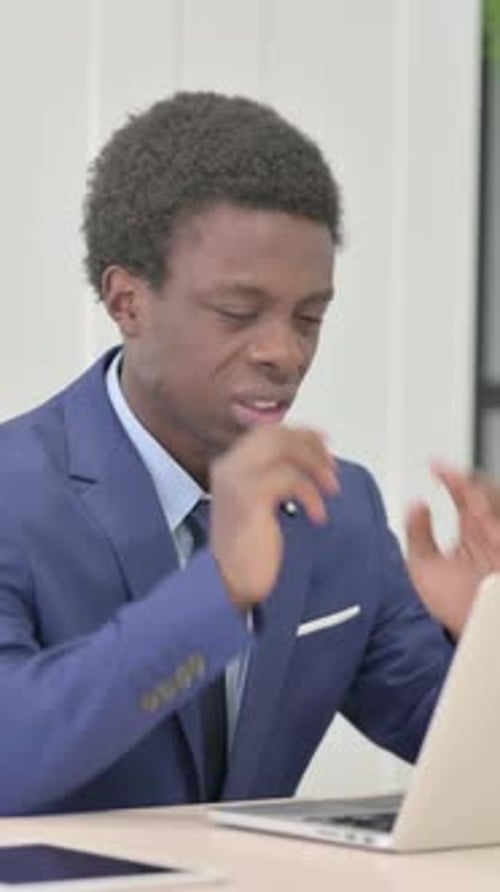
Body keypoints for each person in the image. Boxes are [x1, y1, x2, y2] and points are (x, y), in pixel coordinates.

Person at [0, 92, 495, 816]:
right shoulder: (13, 494)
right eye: (238, 313)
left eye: (309, 317)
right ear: (127, 301)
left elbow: (462, 755)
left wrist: (486, 641)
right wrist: (219, 590)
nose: (284, 352)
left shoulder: (337, 507)